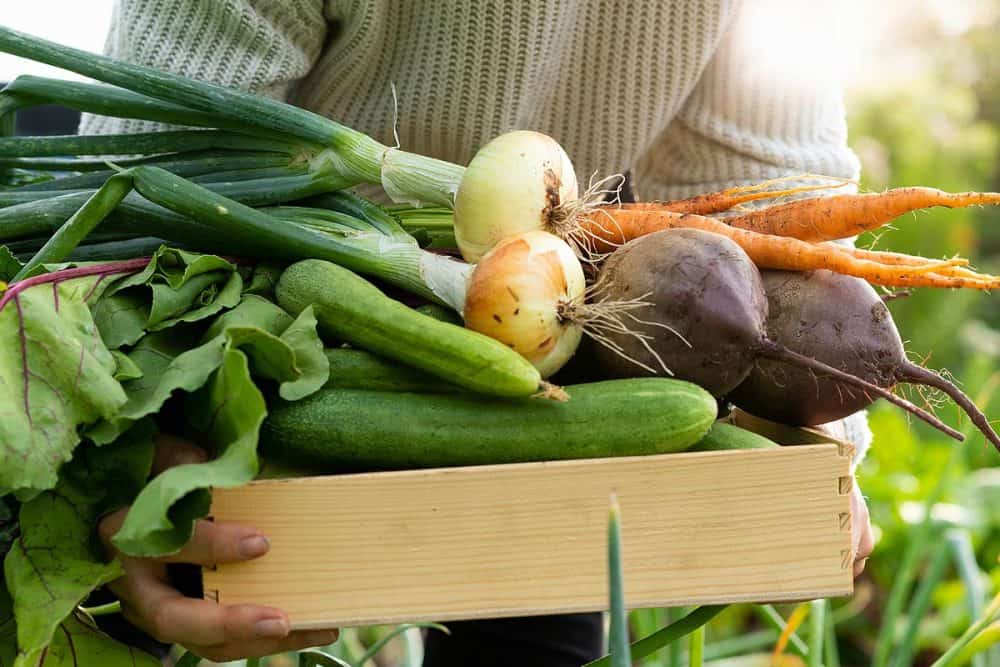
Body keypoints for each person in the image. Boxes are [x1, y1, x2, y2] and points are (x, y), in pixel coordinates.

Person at [85, 0, 875, 664]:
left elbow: (769, 191)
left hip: (559, 340)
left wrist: (819, 438)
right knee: (125, 588)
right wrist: (123, 439)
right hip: (271, 327)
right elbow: (144, 173)